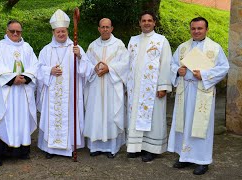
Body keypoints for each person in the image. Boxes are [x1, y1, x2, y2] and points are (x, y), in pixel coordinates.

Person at [167, 17, 229, 175]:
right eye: (193, 28)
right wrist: (177, 71)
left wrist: (205, 74)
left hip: (202, 91)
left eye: (200, 28)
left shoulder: (215, 48)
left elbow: (224, 67)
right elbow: (172, 64)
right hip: (185, 89)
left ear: (206, 30)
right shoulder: (182, 47)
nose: (196, 31)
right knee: (184, 124)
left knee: (201, 126)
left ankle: (202, 160)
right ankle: (184, 156)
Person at [36, 9, 89, 159]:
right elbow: (38, 69)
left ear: (67, 31)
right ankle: (50, 149)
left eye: (64, 31)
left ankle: (69, 147)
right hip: (52, 91)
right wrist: (49, 71)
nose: (61, 34)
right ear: (53, 32)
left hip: (70, 94)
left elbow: (86, 69)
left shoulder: (75, 48)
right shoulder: (46, 50)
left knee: (69, 117)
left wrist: (79, 57)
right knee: (52, 117)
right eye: (58, 32)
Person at [0, 20, 38, 166]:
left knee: (22, 119)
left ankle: (22, 152)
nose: (15, 34)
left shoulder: (27, 47)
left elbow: (35, 65)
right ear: (7, 31)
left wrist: (26, 77)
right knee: (4, 118)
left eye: (18, 31)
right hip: (6, 92)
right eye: (12, 31)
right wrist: (12, 78)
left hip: (23, 92)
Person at [126, 11, 172, 162]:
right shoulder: (133, 40)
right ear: (139, 23)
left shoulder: (161, 41)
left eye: (149, 20)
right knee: (134, 117)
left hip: (153, 88)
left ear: (154, 23)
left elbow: (166, 64)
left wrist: (163, 86)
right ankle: (135, 147)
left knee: (153, 118)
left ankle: (151, 149)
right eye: (143, 20)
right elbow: (128, 64)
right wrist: (127, 85)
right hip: (135, 87)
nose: (146, 23)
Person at [83, 18, 129, 158]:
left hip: (112, 87)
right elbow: (86, 64)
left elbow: (126, 64)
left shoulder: (119, 45)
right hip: (96, 87)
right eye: (102, 27)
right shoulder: (92, 46)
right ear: (98, 29)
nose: (105, 29)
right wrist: (94, 68)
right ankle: (95, 147)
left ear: (112, 28)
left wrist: (110, 68)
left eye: (107, 27)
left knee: (111, 115)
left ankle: (111, 148)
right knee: (96, 114)